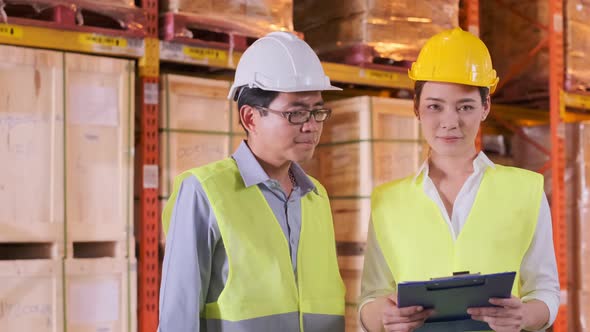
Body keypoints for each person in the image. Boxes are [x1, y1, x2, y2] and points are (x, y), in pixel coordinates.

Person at [358, 27, 560, 332]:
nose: (449, 122)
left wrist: (526, 316)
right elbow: (371, 297)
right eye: (434, 106)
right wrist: (382, 319)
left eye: (464, 106)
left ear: (485, 108)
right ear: (417, 109)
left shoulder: (526, 190)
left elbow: (545, 290)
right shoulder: (388, 201)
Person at [158, 31, 345, 332]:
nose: (311, 126)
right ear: (250, 118)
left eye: (317, 111)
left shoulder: (316, 197)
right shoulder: (204, 192)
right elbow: (178, 319)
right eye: (296, 113)